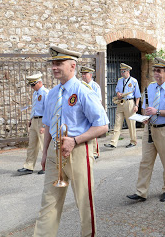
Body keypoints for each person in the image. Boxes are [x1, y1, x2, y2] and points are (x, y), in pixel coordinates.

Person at [33, 46, 109, 237]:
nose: (54, 68)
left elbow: (102, 126)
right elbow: (49, 125)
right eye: (53, 64)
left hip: (78, 152)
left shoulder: (84, 91)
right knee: (48, 203)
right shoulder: (52, 94)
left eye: (59, 64)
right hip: (54, 153)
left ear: (72, 66)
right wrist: (45, 153)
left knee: (84, 203)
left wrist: (74, 140)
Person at [127, 57, 165, 202]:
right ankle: (141, 192)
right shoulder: (150, 87)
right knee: (145, 161)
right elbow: (146, 108)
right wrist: (145, 116)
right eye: (154, 71)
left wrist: (157, 112)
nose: (156, 74)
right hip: (150, 128)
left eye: (159, 71)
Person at [17, 73, 49, 175]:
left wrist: (44, 126)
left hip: (42, 120)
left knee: (44, 144)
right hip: (35, 120)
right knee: (32, 144)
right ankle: (29, 166)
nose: (32, 87)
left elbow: (48, 111)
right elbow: (35, 108)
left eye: (33, 85)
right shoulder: (36, 93)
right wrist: (31, 119)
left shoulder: (45, 93)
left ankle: (47, 166)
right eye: (31, 85)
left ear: (40, 82)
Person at [104, 63, 141, 149]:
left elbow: (138, 95)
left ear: (128, 71)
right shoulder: (120, 80)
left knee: (131, 123)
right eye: (121, 71)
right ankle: (113, 143)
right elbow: (117, 89)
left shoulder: (134, 81)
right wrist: (118, 93)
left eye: (123, 71)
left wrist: (136, 105)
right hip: (120, 102)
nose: (121, 73)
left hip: (129, 103)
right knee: (117, 122)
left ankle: (133, 141)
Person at [80, 66, 102, 159]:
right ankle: (88, 151)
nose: (83, 76)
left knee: (93, 132)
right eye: (82, 74)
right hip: (84, 111)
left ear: (91, 75)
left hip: (92, 111)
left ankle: (95, 152)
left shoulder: (95, 86)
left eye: (85, 74)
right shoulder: (81, 86)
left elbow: (99, 101)